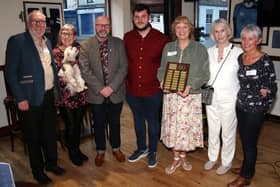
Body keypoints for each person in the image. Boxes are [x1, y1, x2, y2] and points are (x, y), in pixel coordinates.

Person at [5, 10, 65, 185]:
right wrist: (20, 98)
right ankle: (37, 171)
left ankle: (52, 164)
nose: (39, 25)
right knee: (33, 136)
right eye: (35, 22)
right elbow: (10, 72)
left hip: (48, 95)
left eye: (42, 22)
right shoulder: (17, 42)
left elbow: (50, 68)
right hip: (29, 99)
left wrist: (57, 93)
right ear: (29, 24)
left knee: (49, 133)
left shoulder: (47, 41)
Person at [157, 16, 209, 174]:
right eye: (178, 27)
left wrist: (190, 86)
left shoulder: (199, 48)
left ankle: (184, 156)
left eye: (184, 27)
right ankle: (176, 158)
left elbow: (204, 74)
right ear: (174, 30)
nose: (181, 30)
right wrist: (162, 82)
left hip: (190, 97)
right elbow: (161, 69)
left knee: (185, 130)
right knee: (174, 128)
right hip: (171, 96)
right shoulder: (168, 47)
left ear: (190, 29)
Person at [227, 25, 277, 187]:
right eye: (243, 38)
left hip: (255, 109)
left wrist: (265, 100)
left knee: (250, 142)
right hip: (241, 104)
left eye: (251, 38)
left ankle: (246, 176)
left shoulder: (265, 60)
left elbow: (272, 86)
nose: (246, 42)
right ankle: (246, 166)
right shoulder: (241, 57)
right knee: (244, 139)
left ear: (259, 40)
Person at [124, 3, 169, 168]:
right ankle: (141, 148)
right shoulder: (127, 37)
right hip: (132, 89)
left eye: (143, 16)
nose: (140, 20)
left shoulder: (162, 39)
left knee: (152, 121)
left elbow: (167, 64)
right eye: (137, 17)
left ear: (149, 17)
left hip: (153, 90)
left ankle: (153, 151)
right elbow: (125, 62)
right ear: (133, 18)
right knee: (137, 120)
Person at [79, 16, 128, 167]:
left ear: (110, 27)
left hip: (116, 92)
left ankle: (116, 148)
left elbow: (123, 67)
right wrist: (101, 89)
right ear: (95, 26)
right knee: (99, 124)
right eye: (100, 25)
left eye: (106, 25)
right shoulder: (86, 45)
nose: (103, 28)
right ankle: (100, 151)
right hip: (96, 94)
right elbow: (85, 70)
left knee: (115, 123)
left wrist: (111, 87)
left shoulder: (119, 43)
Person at [204, 19, 243, 175]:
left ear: (228, 32)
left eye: (222, 30)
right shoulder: (208, 51)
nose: (220, 34)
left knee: (228, 132)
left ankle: (226, 162)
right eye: (216, 31)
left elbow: (243, 77)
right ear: (213, 34)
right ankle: (212, 158)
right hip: (211, 98)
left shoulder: (238, 52)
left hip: (230, 98)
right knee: (213, 130)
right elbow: (205, 75)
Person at [52, 24, 88, 166]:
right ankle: (72, 152)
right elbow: (57, 74)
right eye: (64, 33)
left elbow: (84, 68)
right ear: (60, 36)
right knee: (71, 125)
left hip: (80, 92)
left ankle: (77, 149)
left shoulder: (80, 50)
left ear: (74, 36)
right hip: (65, 94)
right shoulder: (55, 52)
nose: (67, 36)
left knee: (78, 124)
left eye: (70, 34)